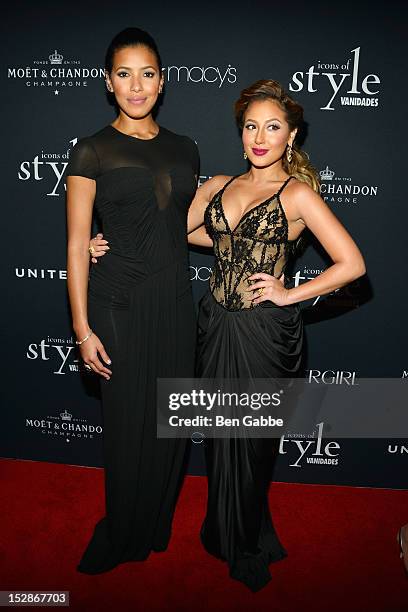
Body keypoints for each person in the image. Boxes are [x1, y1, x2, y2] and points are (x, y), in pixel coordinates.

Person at [90, 79, 366, 590]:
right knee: (220, 438)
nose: (260, 137)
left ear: (292, 135)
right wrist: (106, 242)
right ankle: (222, 529)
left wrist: (289, 293)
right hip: (213, 323)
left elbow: (352, 263)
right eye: (251, 126)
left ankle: (244, 541)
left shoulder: (298, 194)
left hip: (264, 333)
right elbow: (172, 231)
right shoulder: (218, 184)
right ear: (240, 134)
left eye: (273, 127)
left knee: (252, 442)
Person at [65, 27, 199, 574]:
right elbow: (77, 243)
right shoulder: (92, 149)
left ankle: (155, 523)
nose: (136, 85)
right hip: (116, 299)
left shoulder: (185, 147)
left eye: (147, 73)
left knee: (170, 421)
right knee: (126, 425)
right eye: (124, 73)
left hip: (174, 299)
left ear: (162, 82)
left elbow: (179, 225)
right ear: (108, 82)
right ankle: (122, 531)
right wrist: (81, 329)